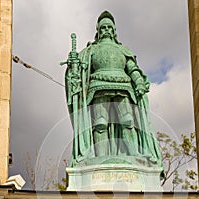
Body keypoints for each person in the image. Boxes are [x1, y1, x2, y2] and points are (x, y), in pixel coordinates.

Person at [64, 11, 163, 169]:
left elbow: (132, 68)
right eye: (103, 27)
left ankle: (134, 154)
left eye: (109, 27)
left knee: (128, 121)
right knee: (100, 123)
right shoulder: (90, 51)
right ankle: (101, 158)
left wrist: (138, 82)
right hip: (97, 87)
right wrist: (72, 64)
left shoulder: (124, 50)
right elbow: (78, 70)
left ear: (114, 30)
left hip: (123, 87)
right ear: (98, 31)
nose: (106, 30)